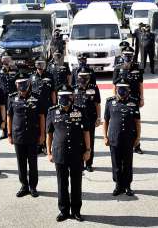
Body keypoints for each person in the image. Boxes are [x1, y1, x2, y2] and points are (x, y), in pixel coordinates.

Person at [46, 84, 90, 222]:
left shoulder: (80, 111)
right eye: (61, 97)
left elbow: (86, 132)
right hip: (60, 153)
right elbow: (49, 134)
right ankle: (64, 211)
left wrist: (88, 150)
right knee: (62, 183)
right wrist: (48, 152)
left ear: (72, 97)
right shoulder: (52, 111)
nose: (63, 100)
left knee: (76, 183)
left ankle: (76, 211)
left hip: (77, 153)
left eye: (66, 97)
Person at [7, 73, 46, 198]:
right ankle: (24, 185)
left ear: (28, 84)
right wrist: (9, 134)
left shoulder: (37, 97)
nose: (22, 86)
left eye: (24, 84)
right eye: (19, 84)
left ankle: (33, 186)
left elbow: (41, 117)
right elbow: (9, 117)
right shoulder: (12, 98)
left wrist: (42, 134)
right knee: (21, 162)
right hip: (18, 135)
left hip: (32, 135)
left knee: (33, 162)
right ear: (16, 85)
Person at [104, 81, 141, 197]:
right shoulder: (110, 102)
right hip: (114, 138)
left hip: (129, 138)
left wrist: (138, 138)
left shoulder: (134, 102)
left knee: (128, 163)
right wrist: (105, 136)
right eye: (120, 88)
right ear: (116, 89)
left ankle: (128, 186)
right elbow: (106, 120)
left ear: (128, 90)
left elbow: (137, 122)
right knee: (116, 163)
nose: (122, 91)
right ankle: (118, 185)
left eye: (125, 88)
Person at [112, 46, 145, 155]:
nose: (128, 57)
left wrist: (142, 98)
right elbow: (114, 85)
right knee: (122, 121)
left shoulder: (137, 67)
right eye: (126, 54)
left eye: (130, 55)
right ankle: (123, 143)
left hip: (134, 98)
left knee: (135, 122)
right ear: (122, 55)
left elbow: (140, 83)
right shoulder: (118, 67)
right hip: (120, 98)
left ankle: (137, 145)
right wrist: (114, 98)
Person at [73, 67, 101, 171]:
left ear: (89, 77)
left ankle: (89, 163)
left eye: (85, 76)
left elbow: (97, 103)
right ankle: (80, 162)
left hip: (90, 119)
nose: (83, 78)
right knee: (78, 141)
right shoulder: (74, 88)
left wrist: (98, 117)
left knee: (90, 142)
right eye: (81, 76)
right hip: (77, 120)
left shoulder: (94, 88)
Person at [32, 59, 56, 155]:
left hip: (47, 105)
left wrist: (54, 105)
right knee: (37, 125)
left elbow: (53, 92)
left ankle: (46, 146)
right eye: (38, 66)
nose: (40, 69)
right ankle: (39, 145)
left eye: (42, 66)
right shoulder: (32, 77)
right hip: (35, 106)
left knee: (47, 126)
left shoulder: (49, 76)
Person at [0, 55, 18, 140]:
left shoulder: (15, 69)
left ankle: (13, 132)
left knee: (13, 113)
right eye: (4, 60)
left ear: (10, 60)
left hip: (13, 95)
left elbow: (17, 82)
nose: (5, 62)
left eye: (7, 60)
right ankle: (4, 131)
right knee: (4, 113)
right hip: (3, 95)